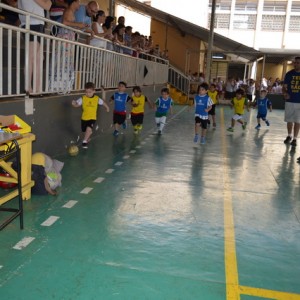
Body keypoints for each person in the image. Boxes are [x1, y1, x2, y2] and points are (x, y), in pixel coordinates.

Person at [50, 0, 88, 94]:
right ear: (74, 2)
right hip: (65, 40)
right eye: (78, 2)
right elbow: (65, 22)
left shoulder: (71, 12)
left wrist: (81, 27)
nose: (79, 4)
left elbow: (69, 24)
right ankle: (58, 87)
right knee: (62, 63)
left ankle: (62, 87)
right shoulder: (68, 11)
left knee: (65, 64)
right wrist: (78, 24)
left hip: (68, 41)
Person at [18, 0, 52, 94]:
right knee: (31, 57)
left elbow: (48, 4)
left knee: (39, 58)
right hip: (30, 23)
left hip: (39, 23)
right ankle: (28, 88)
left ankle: (37, 89)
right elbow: (47, 5)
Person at [72, 82, 110, 148]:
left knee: (88, 129)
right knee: (85, 131)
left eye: (89, 92)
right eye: (86, 92)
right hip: (84, 118)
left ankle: (84, 142)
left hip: (92, 118)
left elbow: (103, 102)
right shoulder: (83, 98)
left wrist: (107, 107)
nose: (88, 94)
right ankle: (87, 137)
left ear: (94, 91)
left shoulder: (96, 98)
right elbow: (77, 104)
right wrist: (74, 104)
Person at [282, 56, 300, 147]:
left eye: (298, 63)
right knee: (289, 120)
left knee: (298, 121)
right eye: (295, 62)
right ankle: (289, 136)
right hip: (289, 101)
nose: (296, 64)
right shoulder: (289, 74)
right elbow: (284, 88)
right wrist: (285, 93)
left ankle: (295, 139)